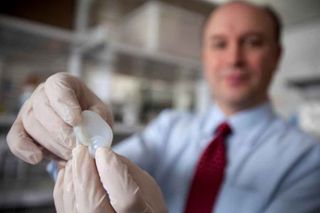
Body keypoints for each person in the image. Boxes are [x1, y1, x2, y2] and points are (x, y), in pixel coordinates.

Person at [6, 1, 320, 212]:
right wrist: (63, 135)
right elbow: (106, 168)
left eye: (252, 42)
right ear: (204, 56)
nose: (234, 59)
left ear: (276, 55)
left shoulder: (310, 161)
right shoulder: (170, 127)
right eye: (219, 43)